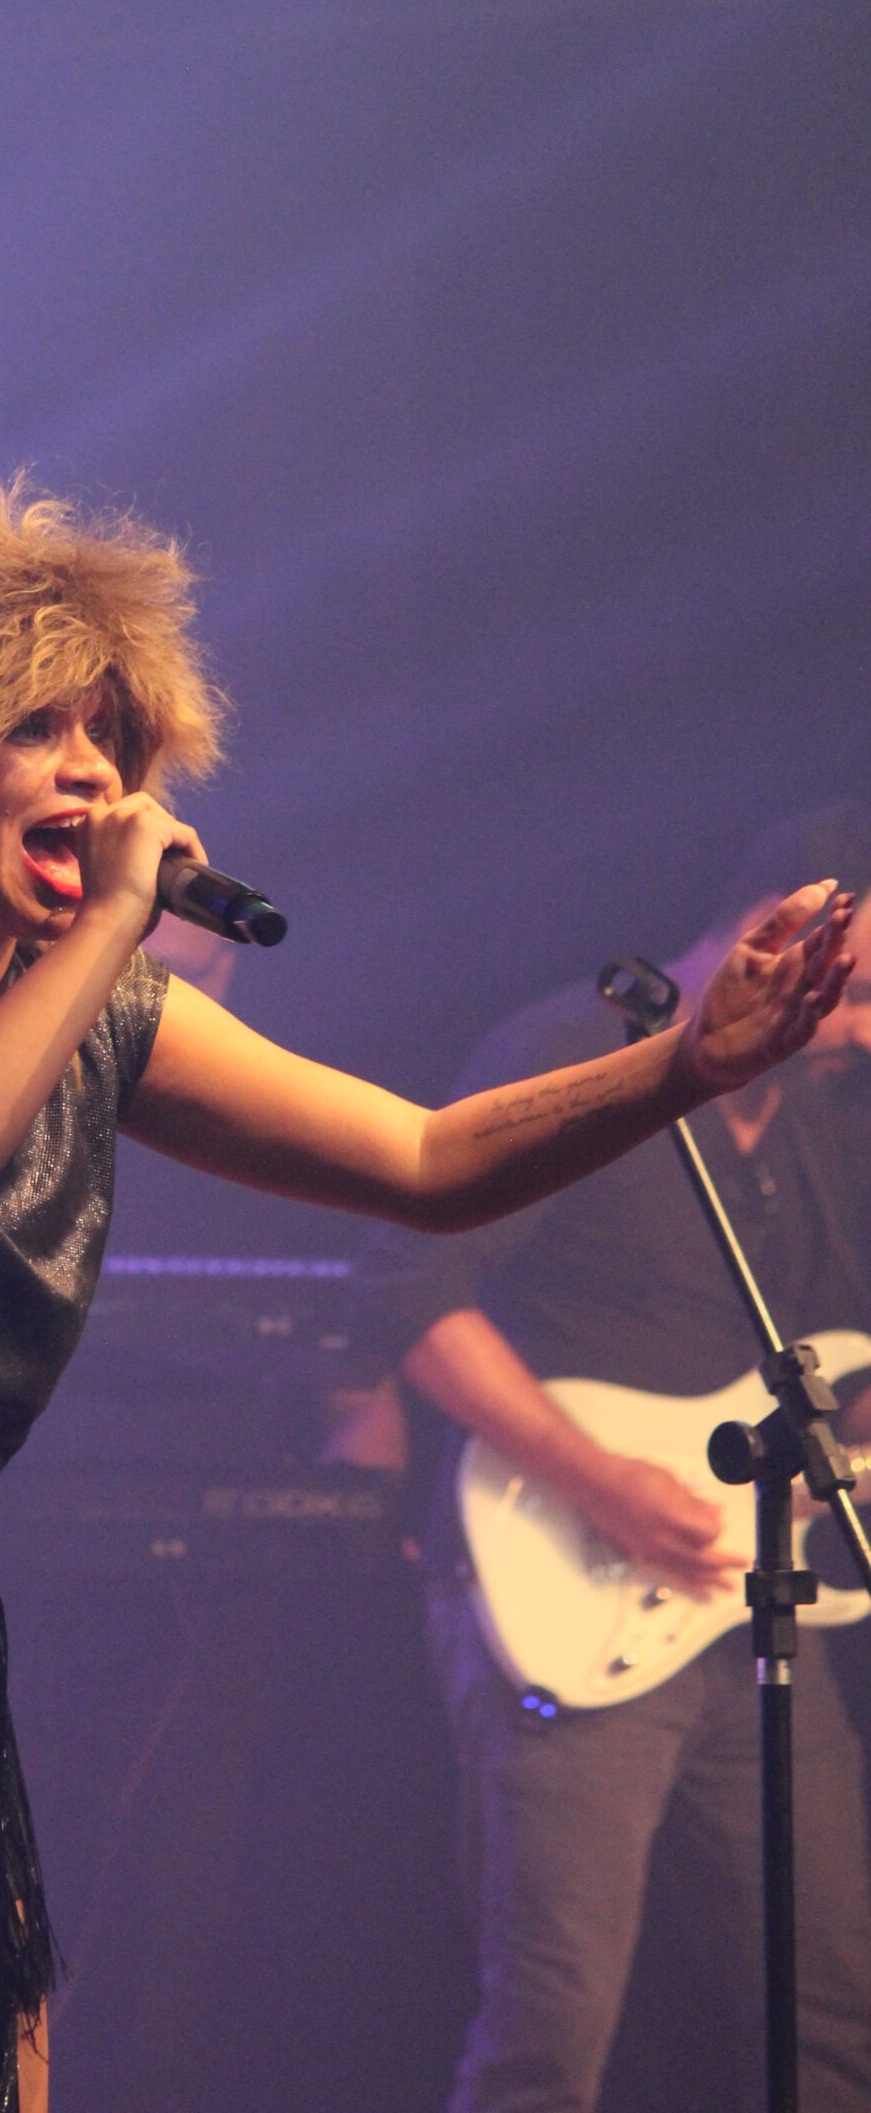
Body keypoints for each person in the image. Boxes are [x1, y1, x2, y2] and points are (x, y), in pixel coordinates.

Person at [0, 464, 856, 2113]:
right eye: (40, 729)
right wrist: (115, 929)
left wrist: (687, 1067)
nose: (97, 775)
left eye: (112, 740)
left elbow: (425, 1159)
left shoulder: (104, 1014)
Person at [357, 805, 871, 2113]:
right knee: (553, 2026)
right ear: (784, 927)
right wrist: (601, 1479)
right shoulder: (570, 1055)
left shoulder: (814, 1127)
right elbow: (408, 1293)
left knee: (834, 2006)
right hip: (561, 1588)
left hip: (753, 1613)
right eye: (858, 992)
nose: (864, 1030)